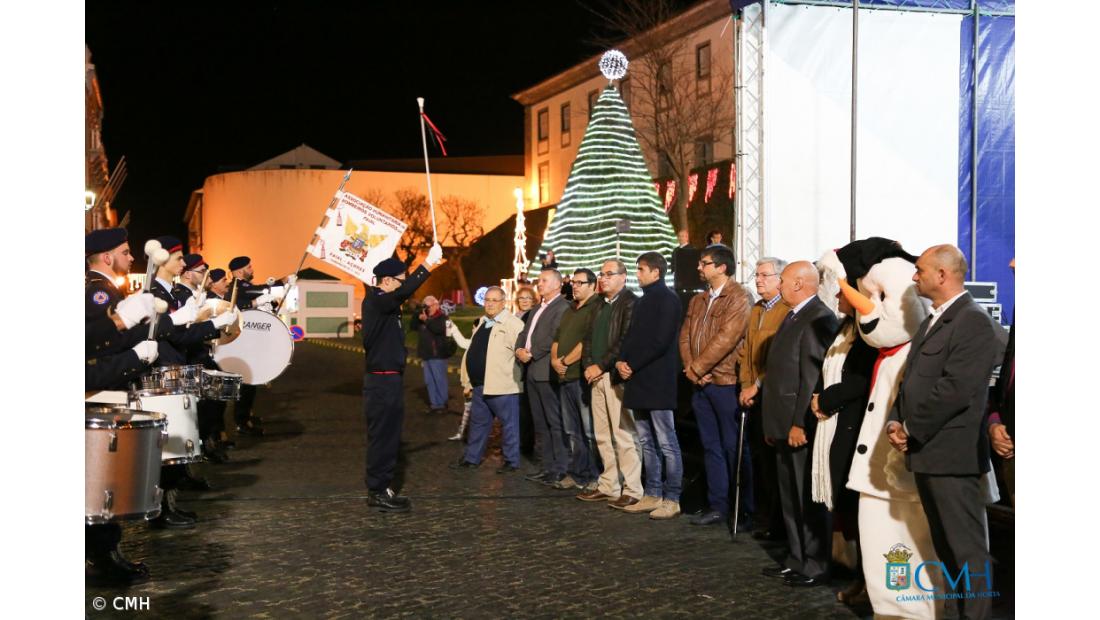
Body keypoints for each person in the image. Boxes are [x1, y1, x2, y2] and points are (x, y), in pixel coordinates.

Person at [886, 245, 1001, 619]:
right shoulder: (934, 320)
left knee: (967, 550)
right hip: (928, 452)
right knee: (947, 548)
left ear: (942, 275)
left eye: (920, 270)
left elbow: (955, 389)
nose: (914, 277)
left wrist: (911, 427)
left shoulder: (972, 321)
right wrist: (895, 420)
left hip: (952, 455)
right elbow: (910, 381)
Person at [760, 261, 838, 588]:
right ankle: (796, 558)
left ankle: (815, 564)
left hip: (799, 424)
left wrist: (799, 423)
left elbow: (811, 378)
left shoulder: (819, 317)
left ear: (798, 283)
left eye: (782, 281)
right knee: (789, 496)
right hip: (781, 421)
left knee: (807, 497)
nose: (777, 286)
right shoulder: (793, 315)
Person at [360, 244, 443, 512]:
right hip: (381, 381)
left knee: (390, 436)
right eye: (400, 280)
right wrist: (427, 264)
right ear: (386, 281)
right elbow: (402, 293)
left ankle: (382, 487)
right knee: (383, 437)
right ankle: (377, 490)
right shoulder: (377, 299)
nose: (403, 286)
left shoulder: (386, 304)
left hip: (390, 379)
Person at [809, 286, 877, 605]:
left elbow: (859, 380)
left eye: (843, 292)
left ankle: (868, 581)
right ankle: (859, 577)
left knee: (858, 511)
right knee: (847, 510)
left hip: (852, 426)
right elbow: (827, 369)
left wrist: (826, 399)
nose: (837, 296)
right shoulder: (844, 326)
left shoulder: (867, 333)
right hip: (833, 423)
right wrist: (819, 397)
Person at [678, 244, 754, 527]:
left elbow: (728, 338)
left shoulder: (738, 297)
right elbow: (685, 336)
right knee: (710, 447)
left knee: (734, 447)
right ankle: (718, 505)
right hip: (701, 383)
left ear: (722, 267)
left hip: (725, 381)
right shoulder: (698, 299)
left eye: (705, 263)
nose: (699, 267)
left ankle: (744, 508)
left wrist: (698, 368)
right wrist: (692, 369)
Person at [615, 252, 684, 519]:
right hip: (638, 378)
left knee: (666, 441)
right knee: (646, 440)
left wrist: (632, 364)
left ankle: (672, 497)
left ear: (656, 272)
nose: (638, 274)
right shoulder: (643, 301)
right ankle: (652, 493)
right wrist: (621, 361)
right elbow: (631, 336)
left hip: (657, 379)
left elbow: (661, 340)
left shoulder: (668, 299)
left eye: (641, 269)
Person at [576, 260, 643, 508]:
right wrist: (588, 364)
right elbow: (588, 338)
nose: (603, 278)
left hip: (614, 375)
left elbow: (624, 340)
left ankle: (633, 488)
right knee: (602, 434)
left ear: (623, 277)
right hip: (595, 375)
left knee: (623, 433)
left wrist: (601, 366)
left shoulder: (630, 303)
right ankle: (609, 485)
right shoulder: (598, 304)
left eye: (609, 274)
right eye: (601, 274)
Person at [738, 257, 790, 541]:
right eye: (756, 275)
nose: (758, 280)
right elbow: (747, 351)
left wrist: (756, 385)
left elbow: (779, 357)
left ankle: (781, 525)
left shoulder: (786, 309)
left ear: (780, 279)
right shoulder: (757, 309)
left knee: (776, 463)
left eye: (764, 275)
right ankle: (768, 519)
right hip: (753, 395)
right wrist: (746, 384)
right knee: (763, 464)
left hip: (774, 395)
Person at [451, 286, 525, 472]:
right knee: (478, 423)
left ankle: (511, 461)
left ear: (503, 302)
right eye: (487, 300)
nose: (490, 304)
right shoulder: (483, 321)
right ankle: (472, 458)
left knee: (509, 425)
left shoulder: (513, 324)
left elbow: (522, 351)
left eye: (494, 300)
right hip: (480, 385)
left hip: (503, 385)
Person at [516, 269, 570, 485]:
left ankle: (560, 468)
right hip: (531, 372)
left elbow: (554, 336)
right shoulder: (537, 308)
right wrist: (519, 349)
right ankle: (547, 467)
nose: (539, 284)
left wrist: (531, 353)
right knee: (540, 423)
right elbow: (524, 333)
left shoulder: (562, 307)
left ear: (557, 284)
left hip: (547, 371)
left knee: (554, 422)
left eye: (544, 281)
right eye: (539, 280)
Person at [549, 268, 602, 491]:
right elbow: (557, 338)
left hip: (581, 377)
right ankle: (577, 473)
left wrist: (565, 361)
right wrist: (555, 361)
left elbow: (587, 341)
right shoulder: (570, 308)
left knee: (590, 431)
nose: (575, 286)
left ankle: (596, 476)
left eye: (580, 283)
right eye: (573, 282)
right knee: (572, 431)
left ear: (592, 285)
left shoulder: (597, 307)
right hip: (565, 378)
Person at [410, 295, 452, 414]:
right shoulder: (424, 317)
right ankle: (435, 404)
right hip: (426, 354)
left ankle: (442, 404)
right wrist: (417, 312)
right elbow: (413, 326)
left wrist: (426, 320)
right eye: (426, 306)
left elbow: (438, 329)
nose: (427, 309)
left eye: (429, 306)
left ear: (436, 305)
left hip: (438, 354)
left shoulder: (443, 317)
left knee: (439, 379)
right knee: (429, 381)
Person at [514, 285, 538, 456]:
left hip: (526, 364)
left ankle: (526, 443)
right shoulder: (515, 316)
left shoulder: (532, 316)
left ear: (533, 301)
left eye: (528, 298)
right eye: (521, 298)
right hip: (515, 364)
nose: (524, 301)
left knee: (526, 408)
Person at [670, 229, 703, 294]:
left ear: (687, 237)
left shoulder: (692, 249)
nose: (680, 238)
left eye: (682, 236)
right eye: (679, 236)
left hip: (688, 280)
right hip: (678, 280)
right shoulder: (675, 250)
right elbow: (673, 263)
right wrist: (673, 271)